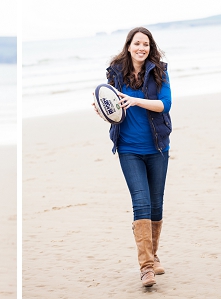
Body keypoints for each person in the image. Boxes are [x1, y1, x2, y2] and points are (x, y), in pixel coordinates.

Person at [95, 27, 172, 287]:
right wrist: (102, 110)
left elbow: (165, 104)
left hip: (158, 147)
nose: (141, 48)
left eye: (146, 45)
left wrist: (135, 101)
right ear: (128, 46)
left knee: (156, 205)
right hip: (128, 148)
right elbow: (111, 106)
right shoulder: (115, 72)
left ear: (150, 48)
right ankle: (147, 268)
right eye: (137, 43)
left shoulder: (159, 71)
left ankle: (154, 254)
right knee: (141, 203)